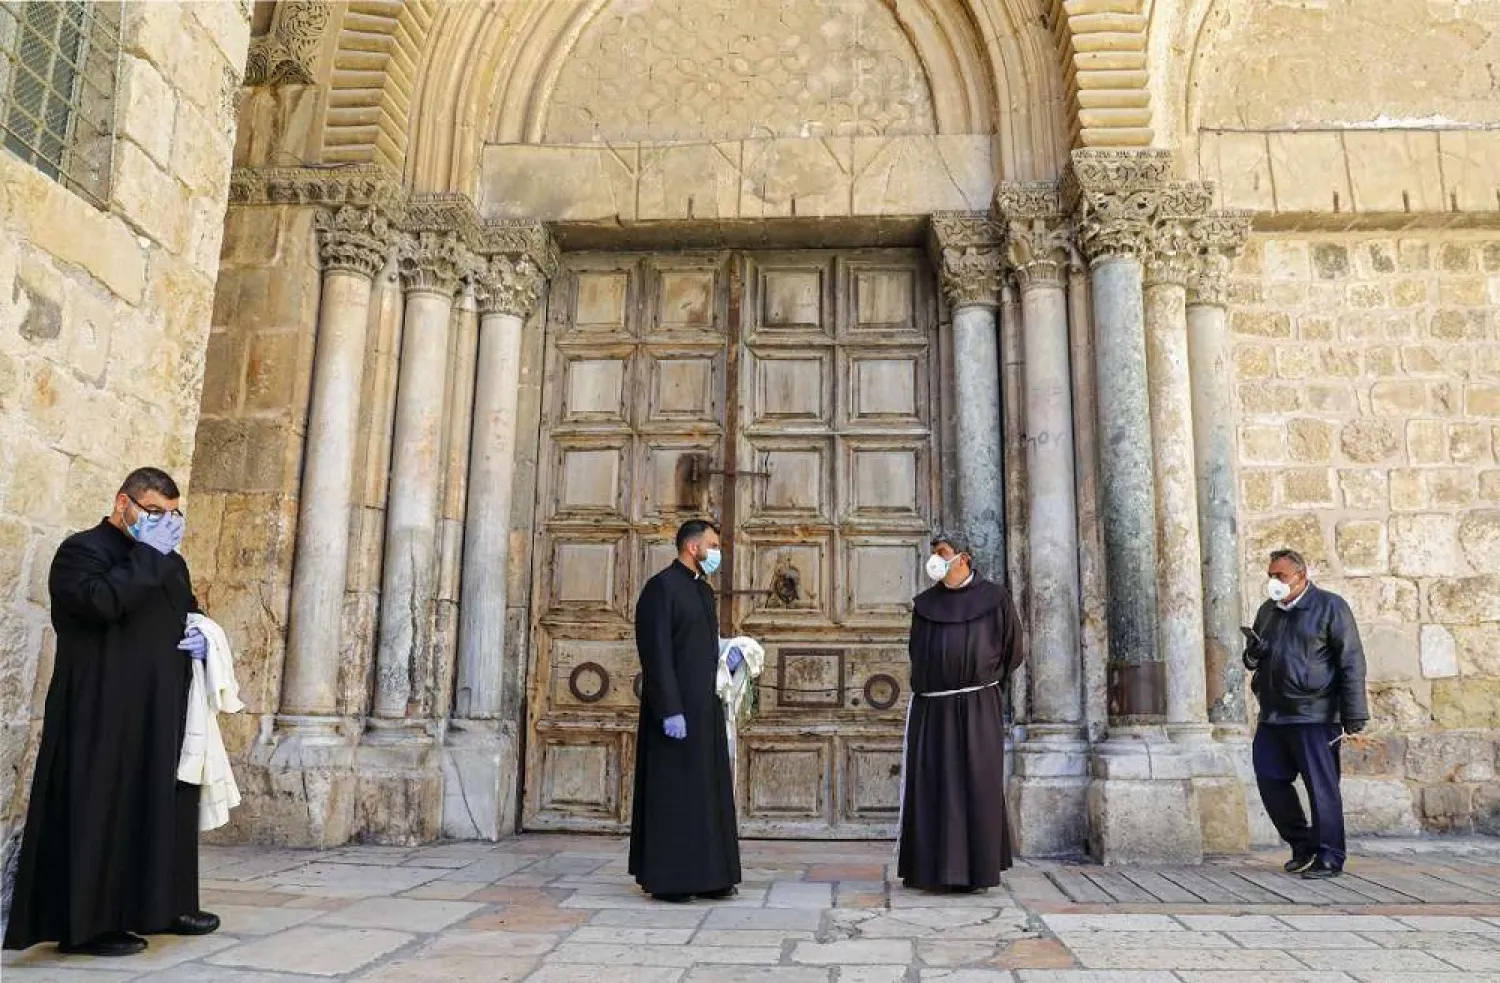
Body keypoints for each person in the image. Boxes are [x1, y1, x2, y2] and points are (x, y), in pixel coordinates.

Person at [3, 468, 220, 957]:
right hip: (101, 705)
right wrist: (149, 554)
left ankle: (165, 905)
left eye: (173, 514)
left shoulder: (170, 561)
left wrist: (205, 635)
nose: (165, 523)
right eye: (153, 511)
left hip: (162, 704)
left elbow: (188, 609)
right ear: (123, 503)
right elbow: (102, 603)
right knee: (102, 804)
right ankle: (91, 925)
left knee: (165, 802)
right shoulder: (83, 551)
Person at [897, 533, 1024, 893]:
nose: (935, 561)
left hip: (976, 705)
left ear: (963, 559)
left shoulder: (995, 599)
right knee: (933, 784)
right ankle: (928, 869)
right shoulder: (925, 605)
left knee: (975, 782)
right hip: (932, 708)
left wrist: (982, 680)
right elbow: (916, 652)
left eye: (942, 554)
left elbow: (1013, 648)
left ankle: (976, 871)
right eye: (934, 554)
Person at [628, 519, 741, 903]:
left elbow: (703, 646)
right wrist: (669, 708)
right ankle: (672, 878)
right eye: (713, 544)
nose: (717, 552)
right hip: (675, 710)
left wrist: (731, 655)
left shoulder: (702, 592)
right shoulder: (661, 588)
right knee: (675, 792)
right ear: (693, 548)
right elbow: (656, 652)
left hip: (705, 706)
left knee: (706, 791)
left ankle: (711, 874)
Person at [1243, 548, 1369, 880]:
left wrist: (1354, 713)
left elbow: (1351, 660)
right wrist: (1253, 655)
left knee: (1321, 787)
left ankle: (1330, 856)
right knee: (1270, 780)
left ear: (1301, 575)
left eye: (1280, 576)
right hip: (1273, 715)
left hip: (1315, 715)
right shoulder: (1267, 611)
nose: (1274, 582)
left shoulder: (1330, 607)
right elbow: (1254, 659)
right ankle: (1302, 845)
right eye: (1270, 575)